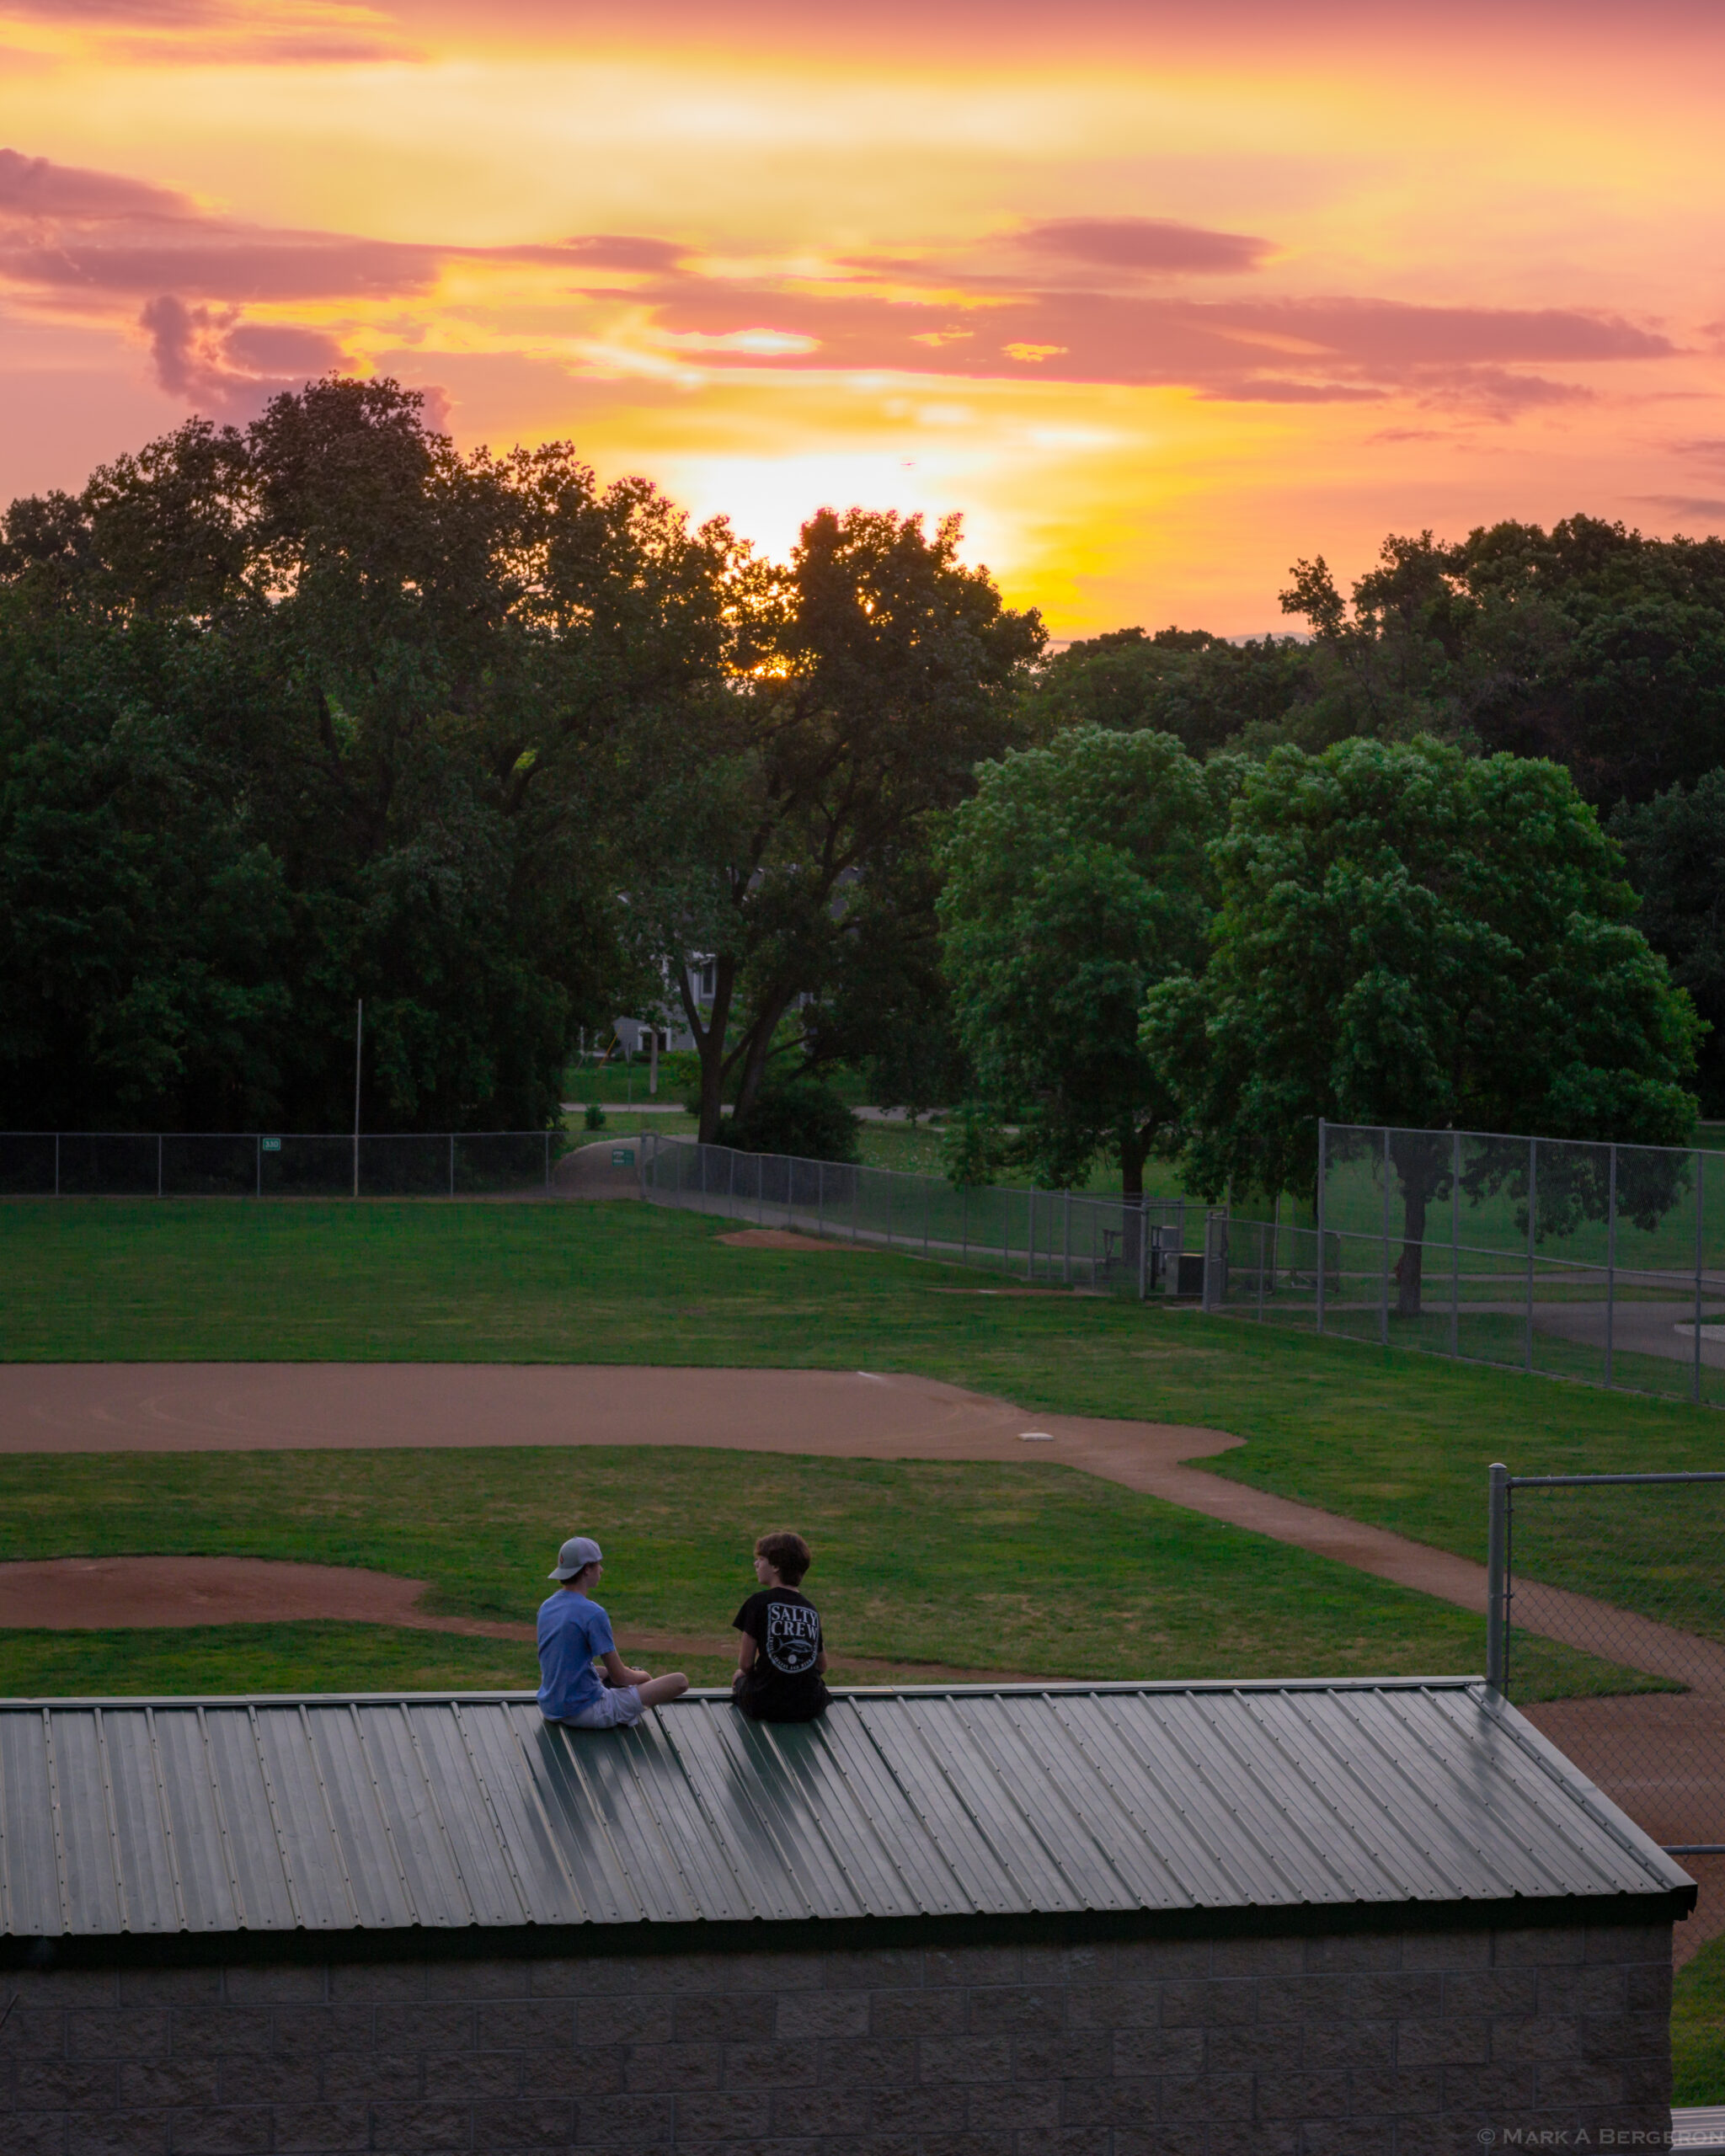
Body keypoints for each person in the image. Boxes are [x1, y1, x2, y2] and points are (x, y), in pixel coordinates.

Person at [537, 1536, 688, 1731]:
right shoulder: (593, 1613)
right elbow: (620, 1677)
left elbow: (560, 1663)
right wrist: (644, 1677)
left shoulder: (547, 1607)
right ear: (586, 1570)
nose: (601, 1570)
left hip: (551, 1708)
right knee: (680, 1681)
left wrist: (601, 1673)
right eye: (598, 1564)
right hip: (584, 1712)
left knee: (605, 1673)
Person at [731, 1530, 830, 1722]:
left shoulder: (757, 1603)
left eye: (761, 1559)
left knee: (739, 1677)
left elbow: (745, 1664)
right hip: (809, 1705)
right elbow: (822, 1665)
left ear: (776, 1565)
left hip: (763, 1703)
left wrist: (745, 1677)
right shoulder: (810, 1609)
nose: (756, 1564)